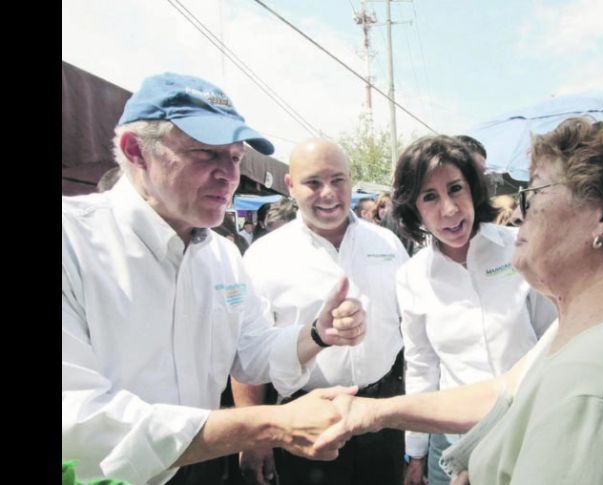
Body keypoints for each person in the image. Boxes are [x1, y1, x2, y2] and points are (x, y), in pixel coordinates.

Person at [317, 116, 603, 485]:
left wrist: (491, 465)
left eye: (533, 193)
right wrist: (378, 416)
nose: (519, 213)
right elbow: (511, 386)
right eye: (429, 197)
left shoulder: (596, 387)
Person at [62, 73, 368, 485]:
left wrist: (315, 334)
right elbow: (78, 419)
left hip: (204, 465)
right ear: (136, 151)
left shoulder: (221, 255)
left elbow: (251, 350)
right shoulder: (72, 241)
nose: (229, 175)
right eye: (206, 155)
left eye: (236, 157)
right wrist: (269, 426)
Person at [236, 138, 409, 485]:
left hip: (383, 417)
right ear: (290, 186)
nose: (328, 193)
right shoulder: (264, 256)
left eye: (337, 180)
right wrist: (254, 436)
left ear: (350, 179)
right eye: (313, 182)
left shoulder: (387, 244)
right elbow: (246, 352)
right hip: (307, 422)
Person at [388, 135, 556, 485]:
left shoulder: (518, 247)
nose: (449, 209)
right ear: (413, 208)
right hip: (454, 440)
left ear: (473, 190)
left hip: (530, 427)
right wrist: (415, 452)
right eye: (429, 196)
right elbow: (421, 366)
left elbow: (551, 336)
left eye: (455, 189)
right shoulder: (411, 276)